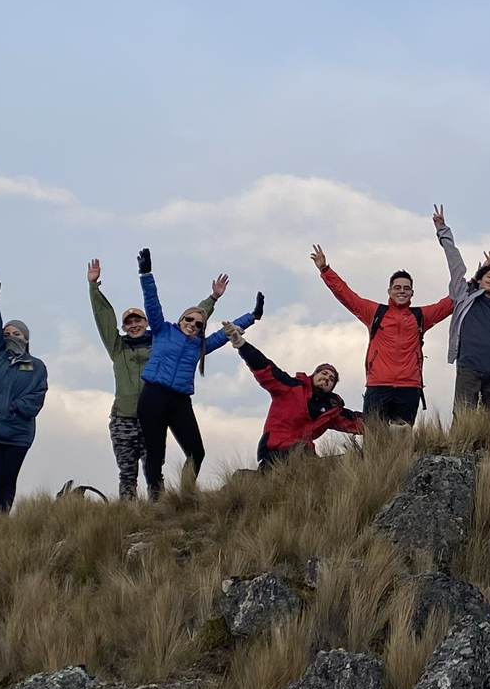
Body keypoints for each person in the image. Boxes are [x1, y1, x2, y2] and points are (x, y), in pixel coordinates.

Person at [312, 206, 458, 426]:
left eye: (406, 288)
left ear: (412, 293)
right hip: (378, 385)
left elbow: (452, 301)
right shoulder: (375, 313)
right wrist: (326, 270)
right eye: (397, 287)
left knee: (402, 440)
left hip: (409, 387)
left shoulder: (420, 316)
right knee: (374, 439)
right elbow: (346, 295)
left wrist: (478, 279)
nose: (401, 291)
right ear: (389, 291)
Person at [136, 249, 259, 494]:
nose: (192, 325)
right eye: (189, 320)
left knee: (196, 452)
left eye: (198, 324)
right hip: (154, 396)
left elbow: (224, 334)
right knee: (155, 453)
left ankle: (186, 494)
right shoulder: (163, 330)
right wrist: (146, 273)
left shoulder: (200, 346)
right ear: (181, 319)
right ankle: (156, 497)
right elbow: (152, 302)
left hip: (180, 400)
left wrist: (252, 316)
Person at [224, 323, 363, 467]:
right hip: (275, 452)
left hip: (305, 458)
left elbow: (356, 422)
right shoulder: (290, 387)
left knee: (350, 459)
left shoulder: (331, 410)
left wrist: (386, 421)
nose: (327, 378)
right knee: (302, 450)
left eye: (331, 379)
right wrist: (240, 344)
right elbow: (265, 368)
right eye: (324, 373)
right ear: (313, 375)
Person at [89, 258, 171, 500]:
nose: (134, 325)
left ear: (146, 323)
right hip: (123, 419)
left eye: (138, 320)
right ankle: (128, 517)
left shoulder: (159, 346)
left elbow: (188, 329)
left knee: (154, 471)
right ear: (124, 327)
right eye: (129, 322)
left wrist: (212, 300)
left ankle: (159, 513)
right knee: (127, 473)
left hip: (152, 418)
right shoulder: (118, 347)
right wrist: (94, 287)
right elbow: (104, 319)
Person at [0, 273, 48, 515]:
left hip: (18, 433)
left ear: (26, 339)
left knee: (8, 479)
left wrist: (15, 407)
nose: (10, 337)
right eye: (6, 334)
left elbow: (37, 396)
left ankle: (3, 523)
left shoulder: (36, 366)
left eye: (16, 334)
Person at [439, 217, 490, 415]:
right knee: (463, 417)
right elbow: (455, 265)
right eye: (489, 277)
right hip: (469, 365)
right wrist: (443, 231)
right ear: (479, 279)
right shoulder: (465, 296)